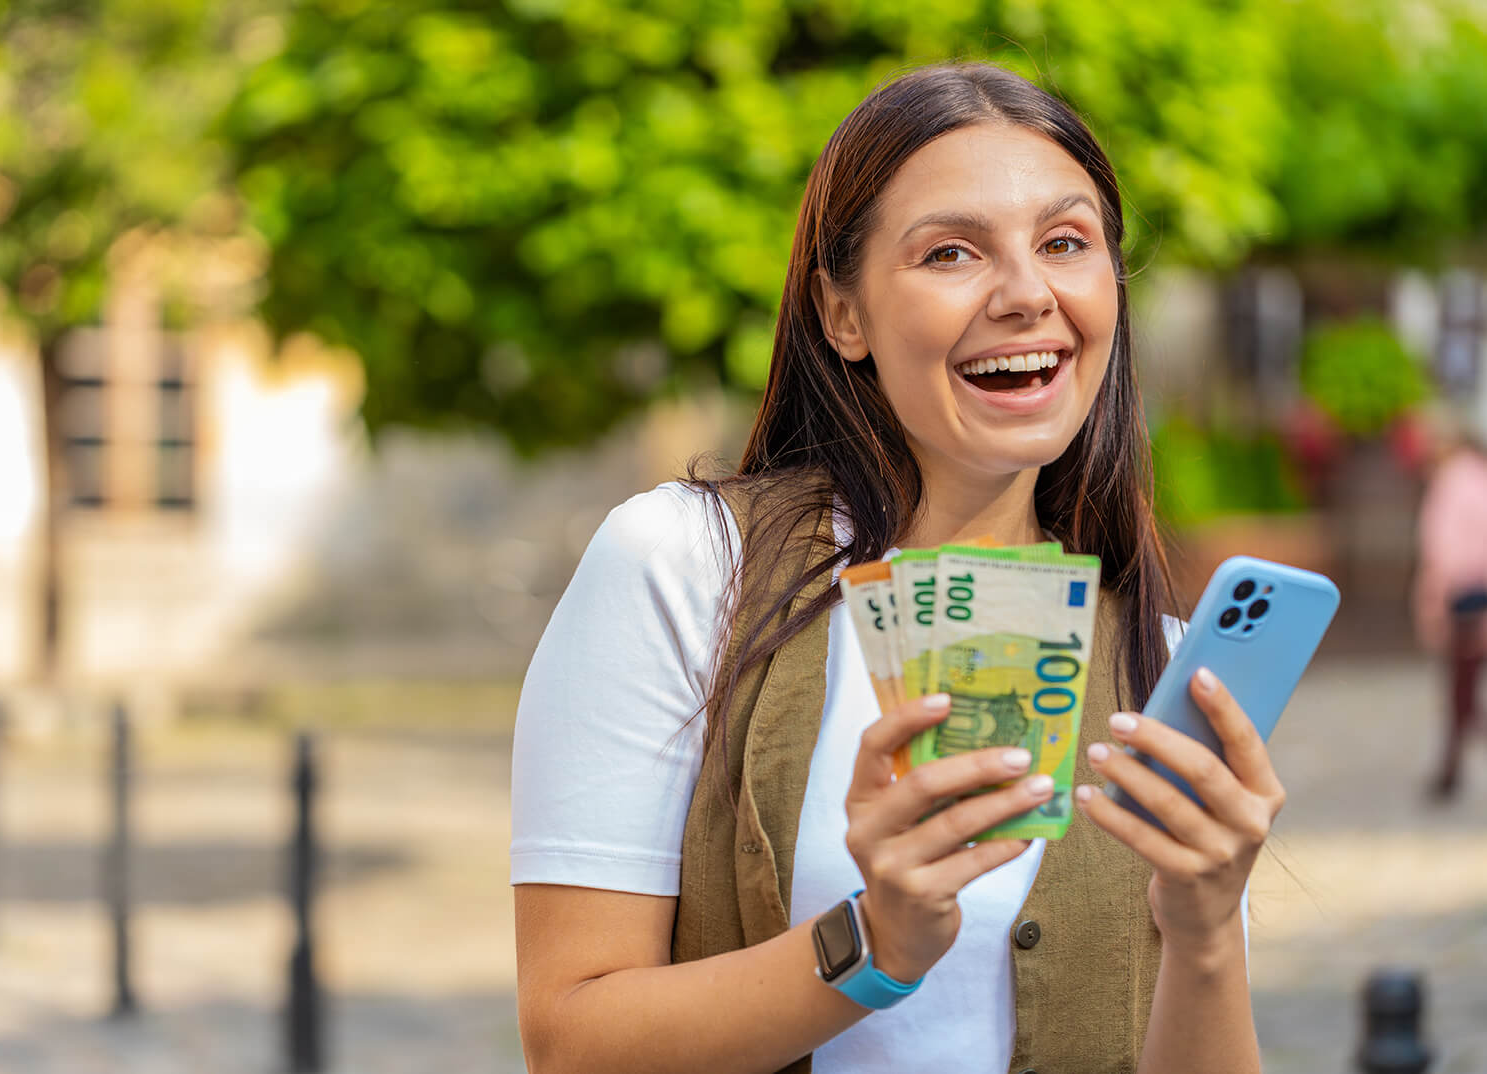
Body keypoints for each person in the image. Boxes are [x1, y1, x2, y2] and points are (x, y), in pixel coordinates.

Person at [511, 62, 1283, 1074]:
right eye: (950, 253)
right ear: (844, 315)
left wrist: (1207, 927)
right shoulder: (683, 567)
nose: (1025, 294)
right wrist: (874, 943)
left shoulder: (1159, 663)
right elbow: (571, 1040)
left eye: (1064, 242)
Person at [1411, 416, 1487, 799]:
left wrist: (1432, 602)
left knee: (1461, 687)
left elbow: (1441, 549)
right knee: (1468, 687)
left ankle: (1450, 769)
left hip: (1464, 597)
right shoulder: (1480, 476)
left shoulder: (1450, 482)